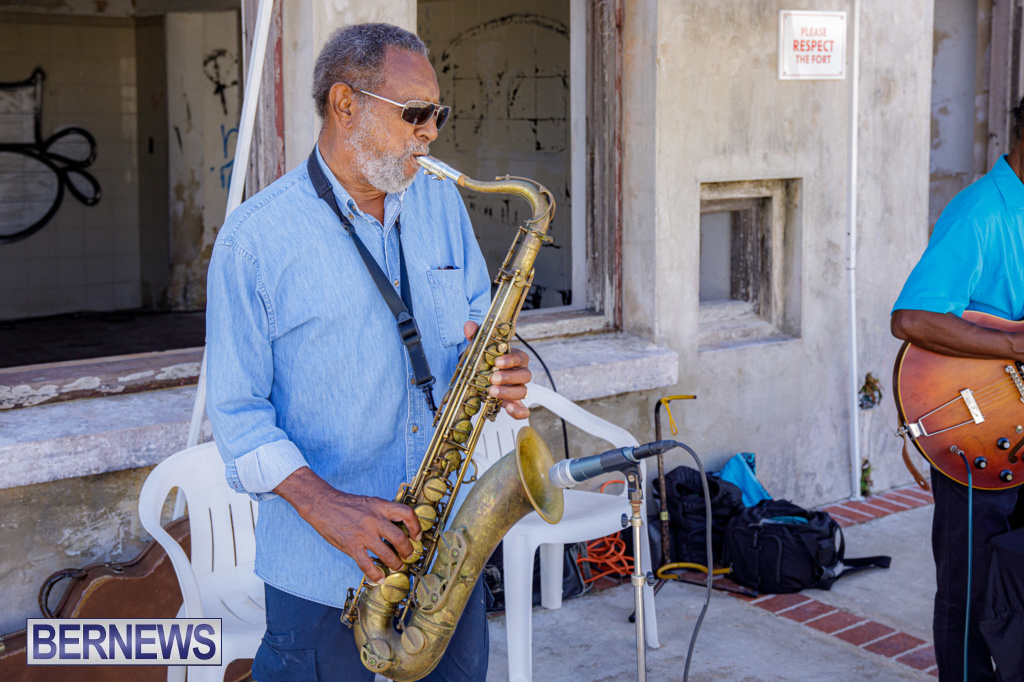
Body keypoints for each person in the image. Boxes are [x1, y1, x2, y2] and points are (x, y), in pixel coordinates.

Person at [206, 23, 532, 681]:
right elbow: (238, 416)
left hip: (445, 559)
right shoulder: (254, 240)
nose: (430, 132)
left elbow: (473, 318)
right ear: (344, 104)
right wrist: (324, 504)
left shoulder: (439, 201)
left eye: (436, 114)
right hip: (322, 574)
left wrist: (495, 372)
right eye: (414, 113)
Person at [891, 96, 1024, 682]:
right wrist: (1017, 347)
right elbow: (912, 319)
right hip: (978, 425)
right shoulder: (980, 213)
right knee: (967, 592)